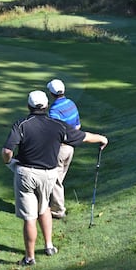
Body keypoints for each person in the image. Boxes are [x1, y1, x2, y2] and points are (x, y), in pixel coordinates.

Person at [1, 90, 108, 266]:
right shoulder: (58, 125)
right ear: (46, 105)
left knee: (29, 217)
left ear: (28, 106)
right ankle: (49, 246)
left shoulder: (21, 124)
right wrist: (101, 138)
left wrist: (9, 162)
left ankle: (29, 258)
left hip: (26, 173)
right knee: (44, 208)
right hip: (49, 174)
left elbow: (7, 151)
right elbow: (82, 137)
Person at [46, 79, 81, 219]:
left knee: (55, 181)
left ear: (51, 93)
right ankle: (48, 203)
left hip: (60, 148)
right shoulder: (71, 103)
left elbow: (55, 131)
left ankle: (58, 210)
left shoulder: (54, 109)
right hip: (71, 147)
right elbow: (78, 126)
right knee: (58, 178)